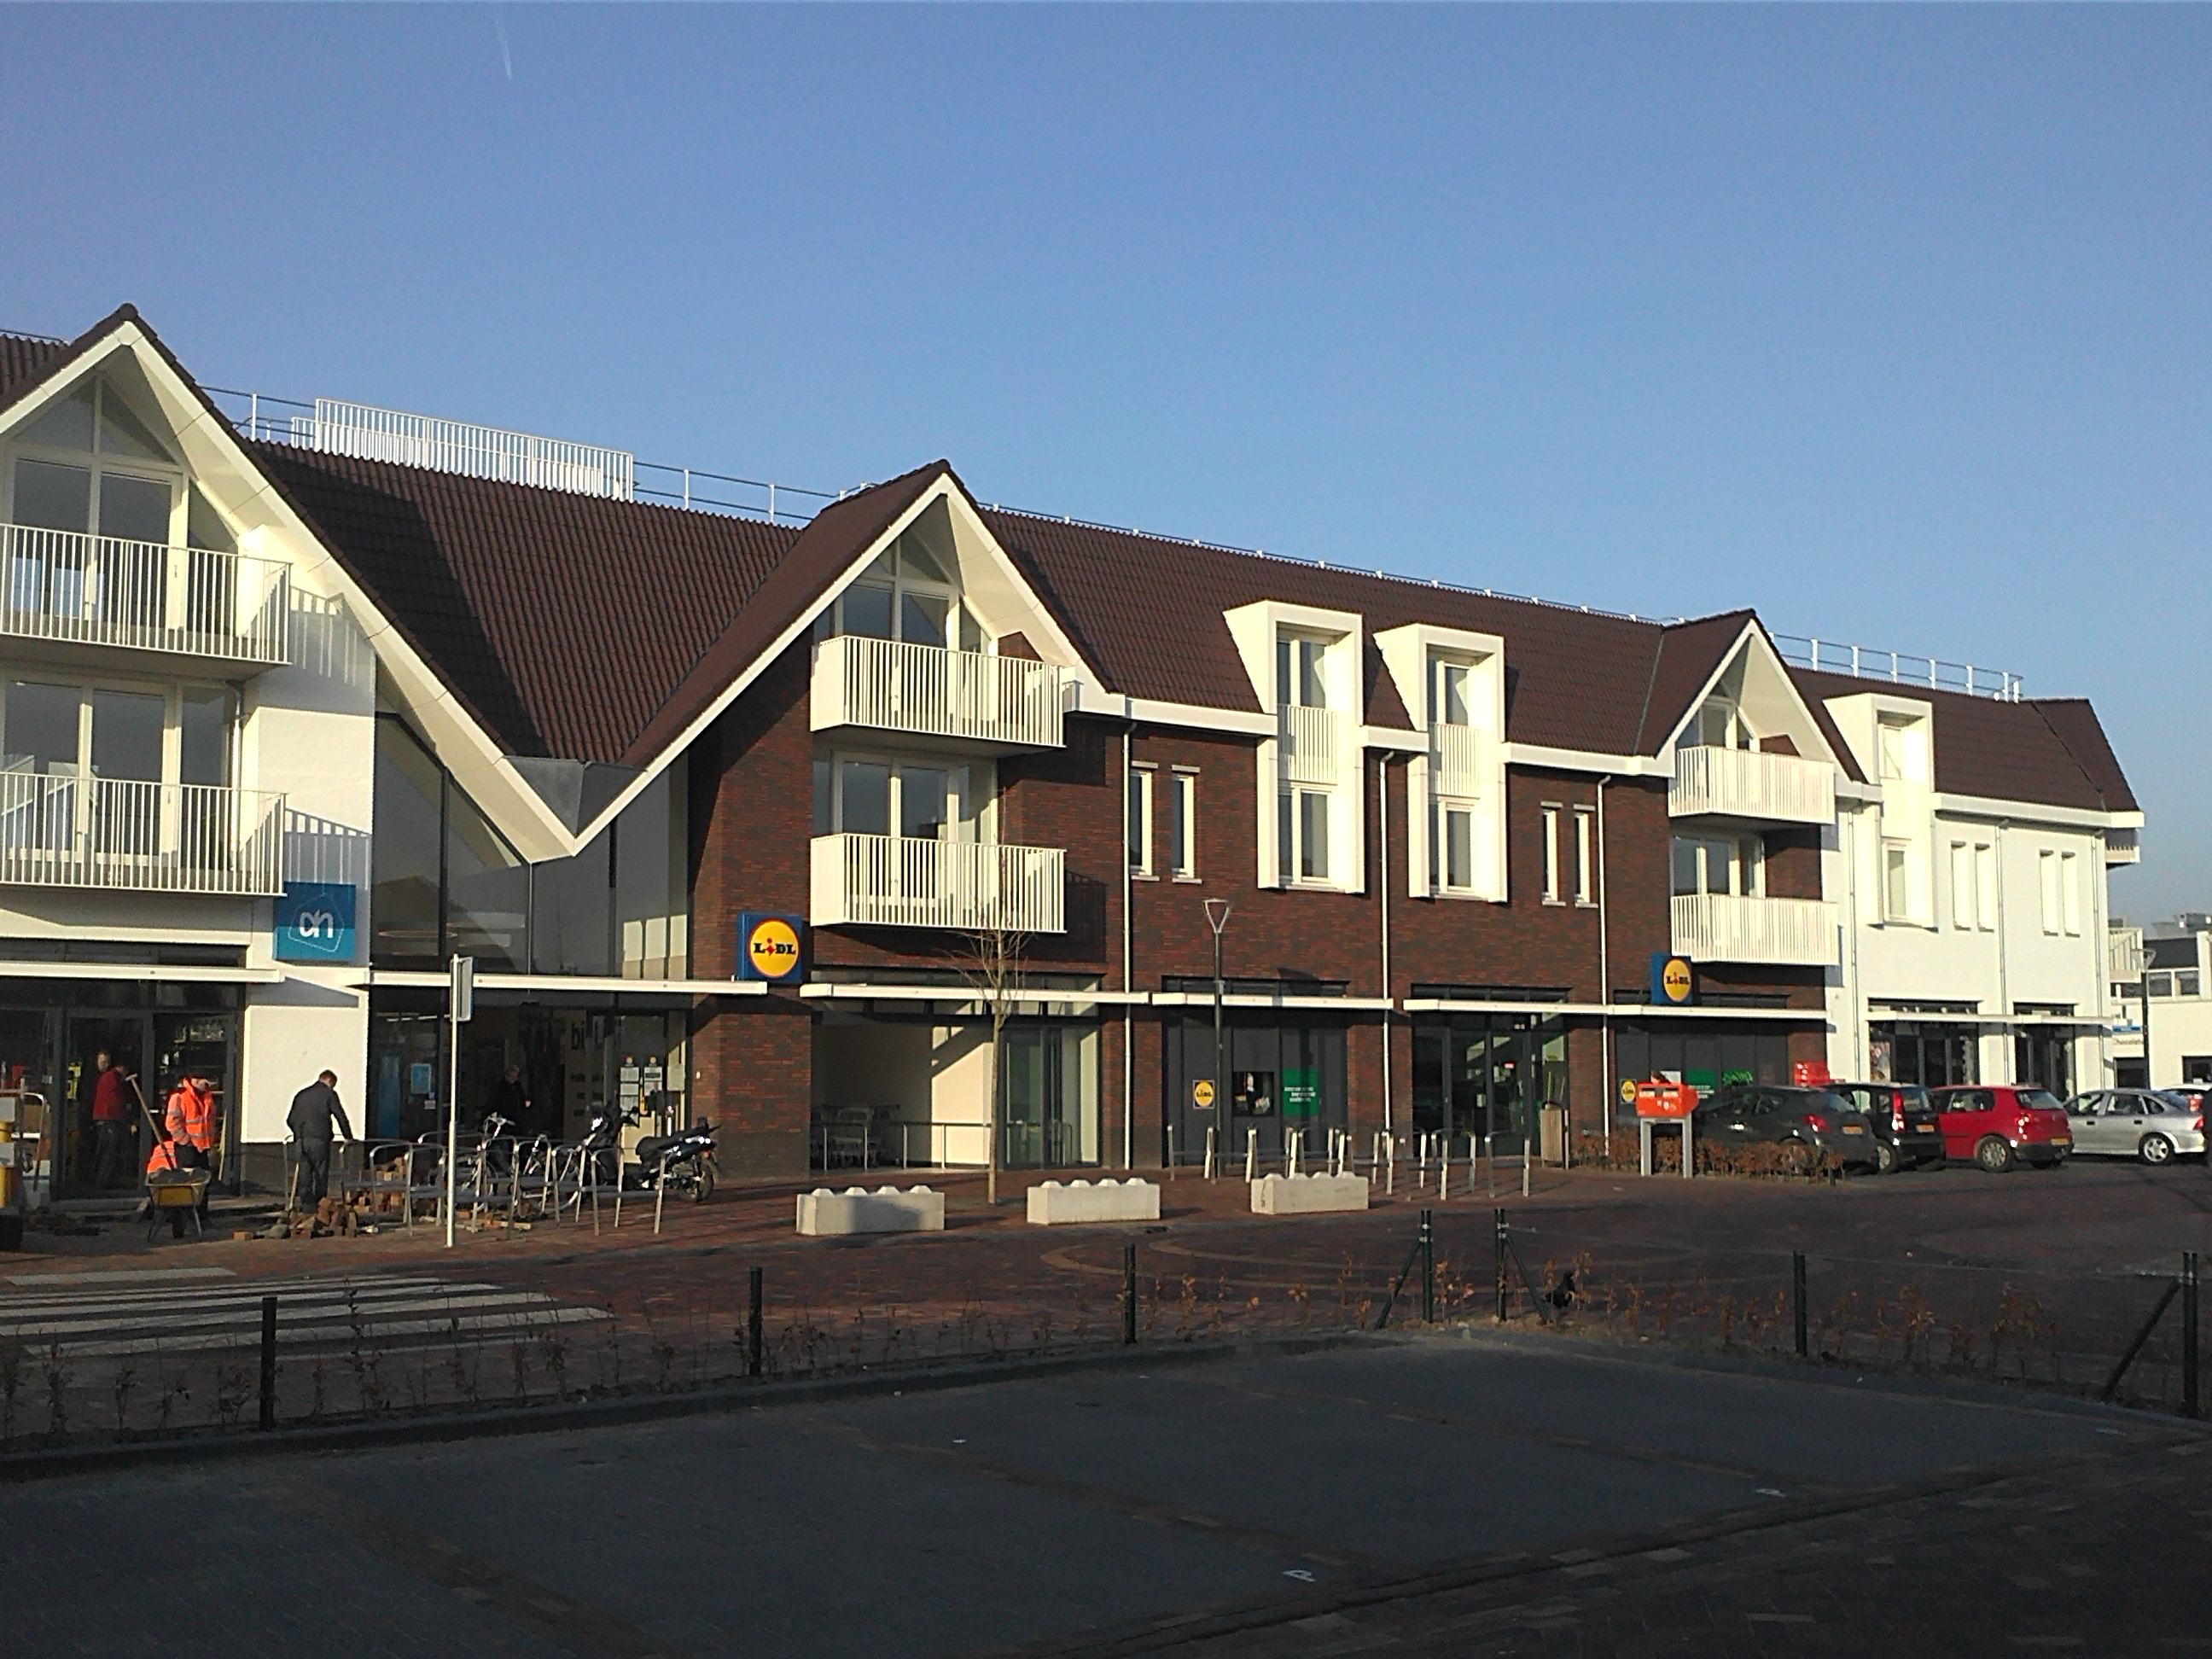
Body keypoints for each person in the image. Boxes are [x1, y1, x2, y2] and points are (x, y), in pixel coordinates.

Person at [286, 1069, 353, 1209]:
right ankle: (320, 1204)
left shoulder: (301, 1094)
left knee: (305, 1172)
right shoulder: (329, 1094)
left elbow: (290, 1119)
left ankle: (306, 1205)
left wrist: (298, 1134)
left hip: (301, 1140)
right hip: (320, 1139)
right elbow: (340, 1115)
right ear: (329, 1081)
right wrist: (348, 1137)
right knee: (320, 1172)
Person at [89, 1051, 134, 1190]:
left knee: (106, 1151)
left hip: (106, 1119)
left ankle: (103, 1181)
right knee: (109, 1152)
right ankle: (101, 1183)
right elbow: (115, 1101)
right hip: (108, 1119)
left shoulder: (108, 1077)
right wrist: (127, 1117)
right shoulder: (112, 1078)